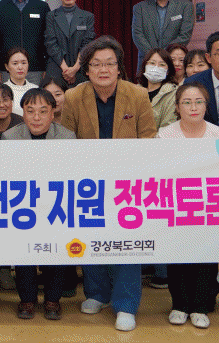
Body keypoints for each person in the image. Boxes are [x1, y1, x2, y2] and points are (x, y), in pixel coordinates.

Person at [61, 36, 156, 332]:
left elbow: (149, 138)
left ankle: (126, 304)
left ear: (119, 67)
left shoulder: (137, 95)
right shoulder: (74, 96)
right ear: (87, 69)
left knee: (127, 241)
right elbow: (66, 139)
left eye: (109, 64)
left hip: (128, 181)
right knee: (92, 235)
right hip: (88, 181)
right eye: (96, 64)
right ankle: (97, 293)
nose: (103, 69)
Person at [158, 83, 219, 330]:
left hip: (210, 205)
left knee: (205, 257)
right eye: (186, 102)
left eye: (199, 102)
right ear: (177, 107)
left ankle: (200, 307)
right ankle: (179, 305)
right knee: (177, 256)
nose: (193, 107)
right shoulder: (165, 134)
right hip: (176, 204)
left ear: (206, 106)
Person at [3, 89, 76, 320]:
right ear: (22, 113)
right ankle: (27, 299)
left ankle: (53, 299)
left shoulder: (66, 137)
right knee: (23, 253)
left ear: (53, 113)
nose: (36, 117)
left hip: (55, 205)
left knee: (56, 252)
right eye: (30, 111)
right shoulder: (9, 137)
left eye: (43, 111)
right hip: (22, 206)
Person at [0, 0, 50, 85]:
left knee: (35, 97)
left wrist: (46, 67)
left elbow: (48, 39)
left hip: (35, 69)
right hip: (6, 69)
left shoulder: (42, 7)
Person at [130, 0, 195, 70]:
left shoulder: (185, 6)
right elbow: (137, 34)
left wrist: (164, 55)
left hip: (173, 61)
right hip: (147, 60)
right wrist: (153, 56)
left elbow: (185, 35)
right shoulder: (140, 8)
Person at [43, 0, 95, 85]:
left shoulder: (88, 17)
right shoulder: (51, 16)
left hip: (80, 68)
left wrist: (75, 68)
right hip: (57, 68)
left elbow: (87, 44)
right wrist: (66, 69)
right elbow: (51, 43)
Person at [139, 48, 178, 129]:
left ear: (168, 71)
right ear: (145, 66)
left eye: (162, 65)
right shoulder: (134, 91)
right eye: (152, 63)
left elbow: (168, 127)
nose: (156, 67)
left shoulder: (173, 93)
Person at [1, 47, 37, 116]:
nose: (20, 67)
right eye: (15, 63)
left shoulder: (36, 89)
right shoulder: (1, 90)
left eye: (23, 63)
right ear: (7, 67)